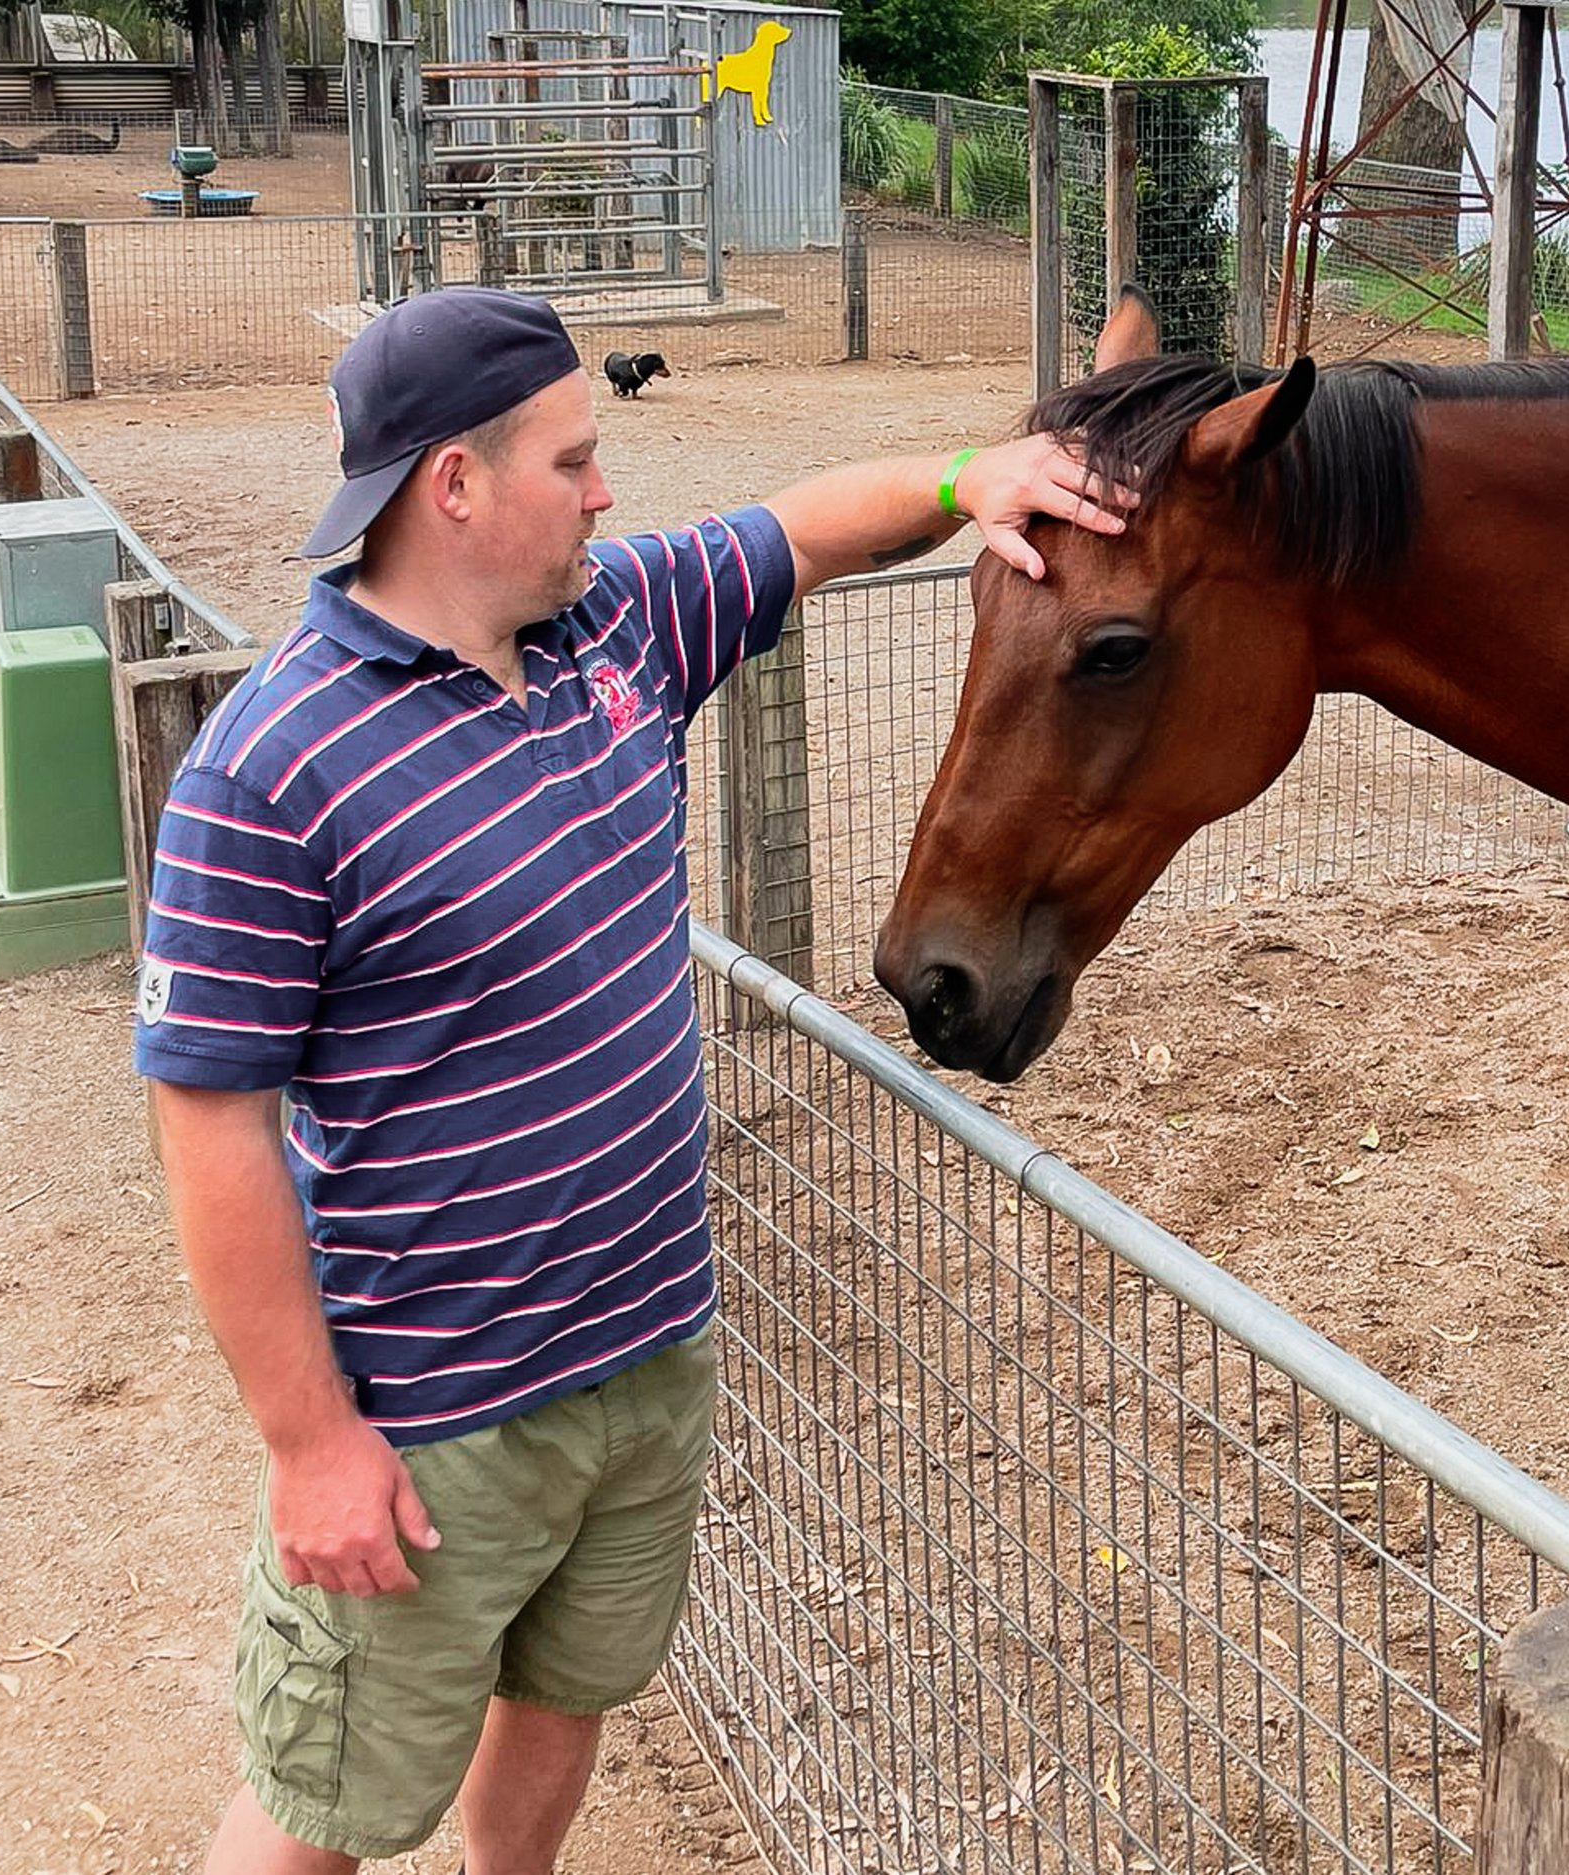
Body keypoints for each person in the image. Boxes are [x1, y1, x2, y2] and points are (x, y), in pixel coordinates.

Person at [132, 286, 1129, 1874]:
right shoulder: (270, 769)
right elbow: (212, 1123)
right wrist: (310, 1441)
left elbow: (799, 529)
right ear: (451, 486)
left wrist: (970, 483)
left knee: (572, 1690)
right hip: (435, 1408)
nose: (609, 492)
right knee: (325, 1791)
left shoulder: (619, 625)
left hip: (646, 1352)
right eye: (576, 460)